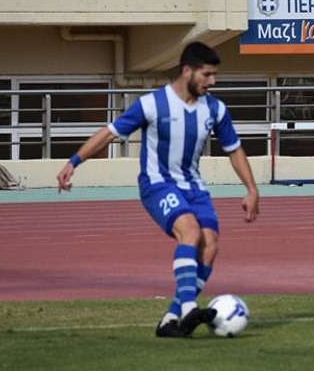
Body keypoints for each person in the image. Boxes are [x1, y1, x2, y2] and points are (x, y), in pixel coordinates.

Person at [56, 41, 260, 338]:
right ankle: (190, 307)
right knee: (189, 230)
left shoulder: (215, 109)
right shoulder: (151, 104)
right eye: (207, 74)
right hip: (156, 184)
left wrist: (252, 189)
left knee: (210, 243)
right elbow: (109, 133)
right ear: (187, 71)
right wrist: (74, 161)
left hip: (193, 187)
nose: (212, 81)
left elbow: (234, 149)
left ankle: (171, 320)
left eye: (214, 75)